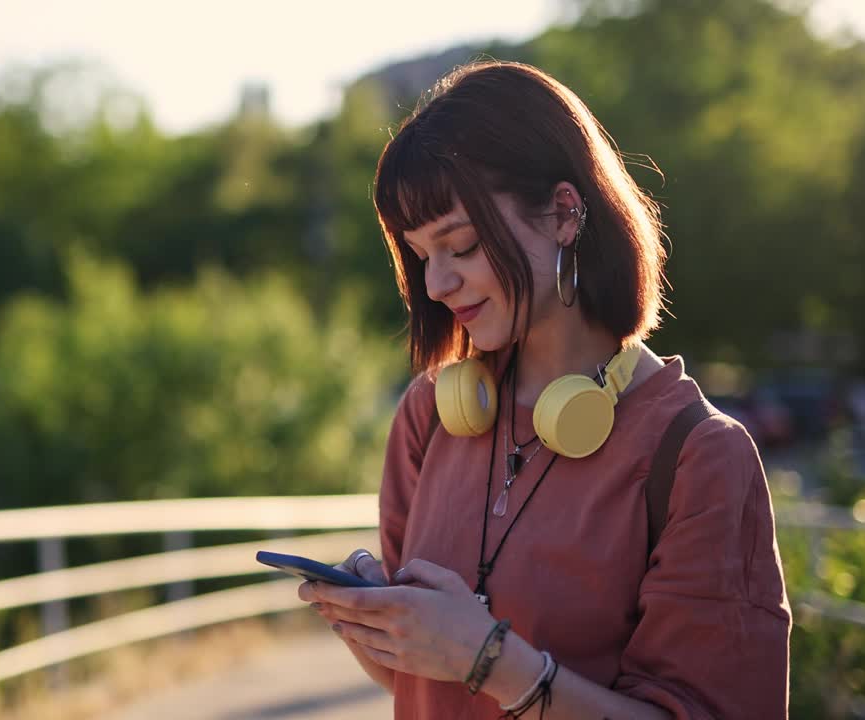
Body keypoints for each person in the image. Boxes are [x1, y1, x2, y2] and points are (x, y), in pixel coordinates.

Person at [296, 61, 791, 719]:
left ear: (564, 213)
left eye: (462, 245)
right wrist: (371, 623)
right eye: (421, 256)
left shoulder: (699, 457)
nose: (437, 284)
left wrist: (492, 661)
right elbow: (418, 682)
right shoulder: (429, 415)